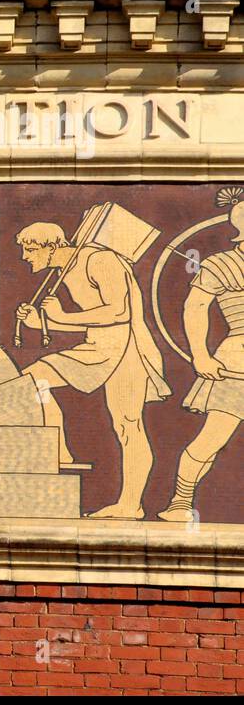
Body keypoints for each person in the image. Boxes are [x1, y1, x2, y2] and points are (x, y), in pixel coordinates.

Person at [15, 221, 170, 519]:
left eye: (31, 249)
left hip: (127, 349)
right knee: (30, 382)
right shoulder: (67, 271)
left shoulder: (100, 259)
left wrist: (62, 315)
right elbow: (92, 321)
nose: (25, 256)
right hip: (99, 347)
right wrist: (44, 323)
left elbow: (119, 312)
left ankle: (130, 505)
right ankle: (59, 449)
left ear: (54, 246)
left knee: (128, 425)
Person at [159, 201, 244, 522]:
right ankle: (180, 502)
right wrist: (201, 355)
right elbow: (195, 308)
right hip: (236, 364)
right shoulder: (221, 264)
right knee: (212, 438)